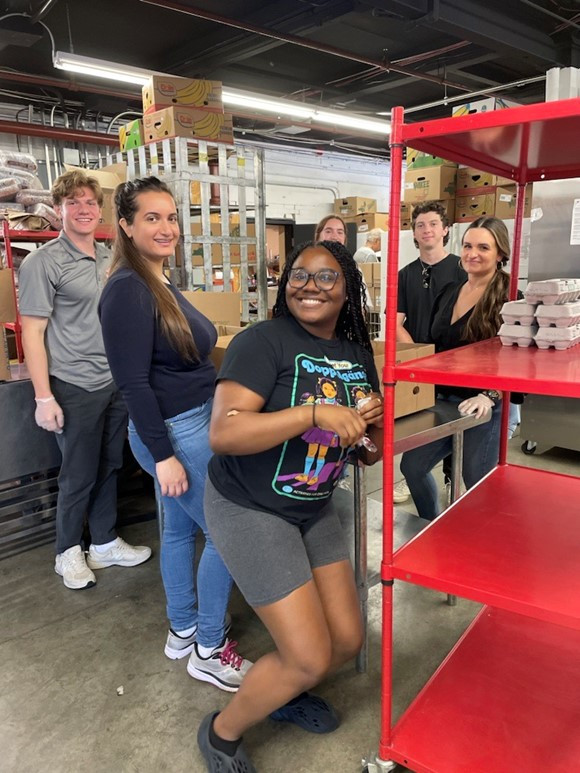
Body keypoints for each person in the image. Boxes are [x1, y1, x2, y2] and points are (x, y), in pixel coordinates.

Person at [197, 240, 384, 772]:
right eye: (299, 275)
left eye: (327, 278)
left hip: (314, 504)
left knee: (345, 641)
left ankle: (281, 692)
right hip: (250, 507)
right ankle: (222, 733)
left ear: (348, 289)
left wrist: (366, 431)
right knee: (307, 655)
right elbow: (224, 433)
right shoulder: (263, 342)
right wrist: (312, 414)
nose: (309, 285)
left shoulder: (354, 353)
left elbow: (364, 453)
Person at [98, 177, 251, 691]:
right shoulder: (127, 289)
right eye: (151, 218)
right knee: (230, 531)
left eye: (170, 217)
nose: (166, 228)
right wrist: (163, 455)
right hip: (174, 432)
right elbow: (132, 382)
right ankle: (209, 647)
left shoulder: (157, 280)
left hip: (190, 422)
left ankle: (183, 629)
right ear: (125, 225)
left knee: (181, 531)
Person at [19, 170, 151, 591]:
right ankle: (67, 551)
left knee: (110, 466)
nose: (83, 210)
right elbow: (32, 332)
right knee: (77, 472)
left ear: (101, 211)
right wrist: (43, 397)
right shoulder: (44, 263)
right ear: (58, 210)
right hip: (73, 384)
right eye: (73, 202)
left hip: (113, 381)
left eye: (91, 203)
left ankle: (105, 541)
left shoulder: (109, 258)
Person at [400, 216, 514, 522]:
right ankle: (430, 524)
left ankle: (481, 543)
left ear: (500, 253)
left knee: (476, 477)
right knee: (412, 466)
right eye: (467, 245)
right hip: (445, 399)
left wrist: (489, 396)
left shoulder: (509, 295)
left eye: (483, 247)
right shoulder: (450, 290)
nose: (472, 253)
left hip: (485, 402)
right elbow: (437, 346)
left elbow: (517, 355)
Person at [394, 201, 465, 504]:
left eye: (433, 223)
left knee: (460, 443)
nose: (427, 230)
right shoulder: (405, 274)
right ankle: (428, 511)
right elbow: (396, 322)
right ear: (414, 232)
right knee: (416, 447)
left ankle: (453, 481)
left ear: (445, 229)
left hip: (458, 374)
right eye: (420, 225)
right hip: (421, 372)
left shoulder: (462, 269)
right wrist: (419, 355)